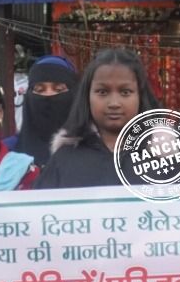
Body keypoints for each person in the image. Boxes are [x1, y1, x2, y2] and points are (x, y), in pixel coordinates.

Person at [35, 48, 158, 190]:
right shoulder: (64, 159)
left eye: (125, 92)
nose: (114, 103)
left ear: (140, 96)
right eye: (102, 92)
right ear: (87, 96)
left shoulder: (164, 157)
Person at [4, 55, 77, 165]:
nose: (49, 95)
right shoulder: (7, 153)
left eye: (58, 89)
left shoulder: (92, 150)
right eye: (39, 90)